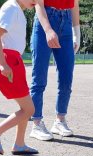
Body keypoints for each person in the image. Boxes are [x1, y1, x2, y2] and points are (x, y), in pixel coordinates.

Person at [0, 0, 39, 156]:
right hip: (7, 61)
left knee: (25, 108)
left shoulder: (18, 10)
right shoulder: (11, 7)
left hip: (13, 61)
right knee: (29, 109)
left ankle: (19, 144)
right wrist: (2, 64)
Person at [29, 0, 80, 141]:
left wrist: (77, 33)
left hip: (67, 21)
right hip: (45, 19)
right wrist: (48, 30)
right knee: (39, 78)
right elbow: (38, 3)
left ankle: (60, 121)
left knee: (66, 76)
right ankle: (36, 123)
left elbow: (75, 4)